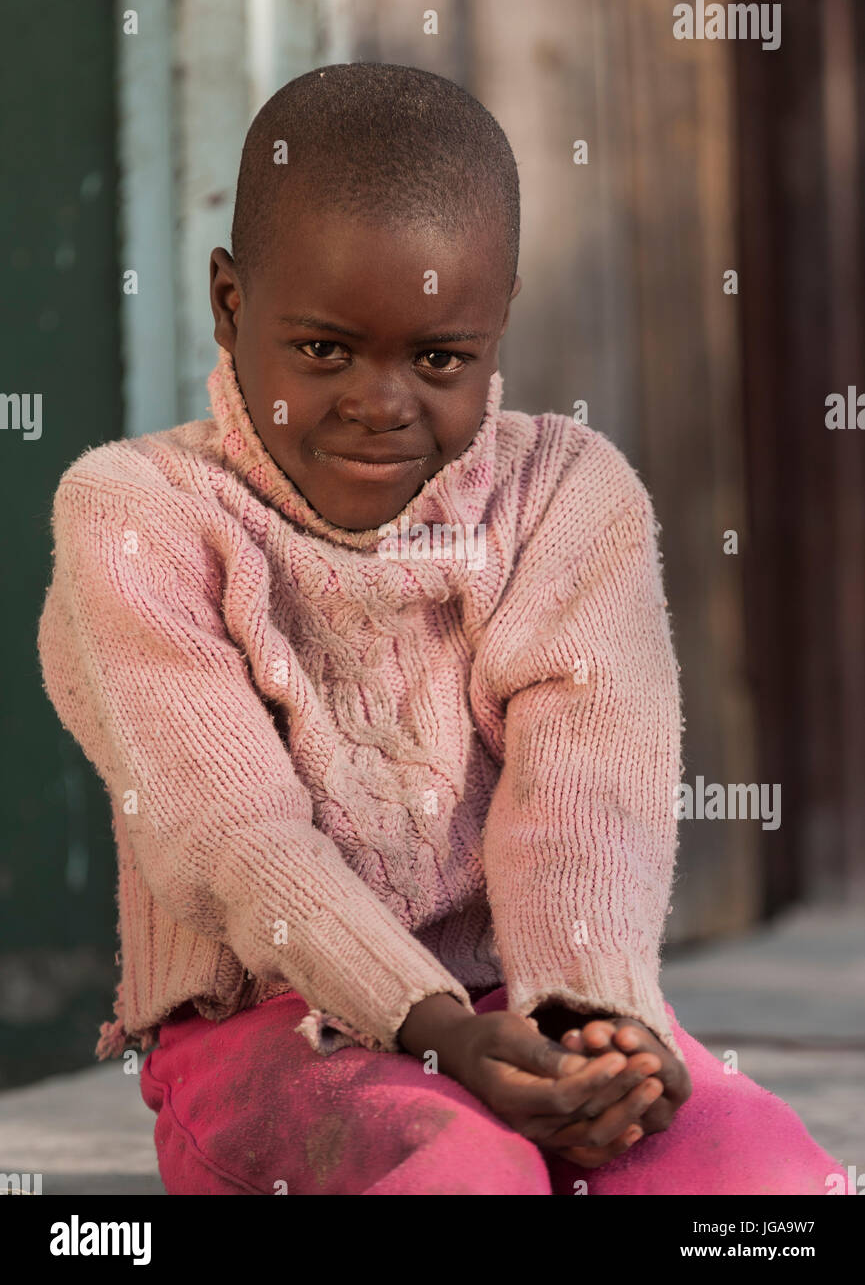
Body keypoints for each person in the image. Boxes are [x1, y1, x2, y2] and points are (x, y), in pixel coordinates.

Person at [37, 63, 845, 1195]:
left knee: (753, 1177)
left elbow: (586, 799)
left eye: (438, 357)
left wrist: (592, 1024)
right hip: (275, 1039)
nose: (380, 402)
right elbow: (226, 836)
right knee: (465, 1172)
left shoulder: (565, 494)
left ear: (495, 321)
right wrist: (433, 1031)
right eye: (324, 349)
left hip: (529, 999)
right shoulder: (139, 513)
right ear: (230, 303)